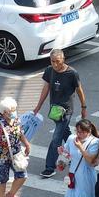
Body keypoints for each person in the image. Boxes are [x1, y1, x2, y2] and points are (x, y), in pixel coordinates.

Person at [33, 49, 88, 178]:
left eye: (58, 61)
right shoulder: (49, 71)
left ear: (63, 59)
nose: (55, 64)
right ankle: (79, 154)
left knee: (56, 139)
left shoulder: (72, 73)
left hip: (66, 111)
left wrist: (83, 106)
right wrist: (38, 106)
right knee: (67, 135)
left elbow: (79, 90)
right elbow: (46, 88)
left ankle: (50, 167)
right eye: (53, 61)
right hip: (54, 111)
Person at [54, 119, 99, 197]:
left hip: (87, 176)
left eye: (82, 132)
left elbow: (90, 161)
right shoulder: (71, 139)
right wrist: (61, 162)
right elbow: (66, 154)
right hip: (73, 175)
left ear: (89, 131)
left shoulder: (94, 142)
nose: (79, 134)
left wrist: (80, 147)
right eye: (77, 131)